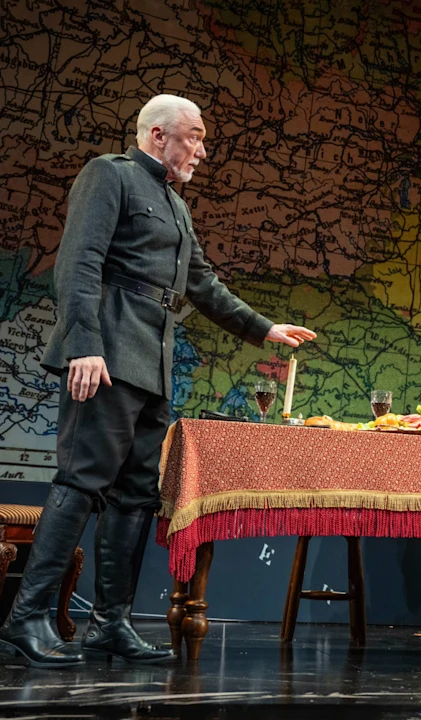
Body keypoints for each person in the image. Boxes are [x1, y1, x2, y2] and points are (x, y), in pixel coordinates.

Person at [0, 94, 316, 668]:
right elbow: (78, 263)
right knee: (81, 481)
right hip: (106, 356)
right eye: (193, 136)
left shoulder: (174, 203)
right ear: (156, 135)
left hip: (153, 364)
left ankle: (109, 624)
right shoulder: (109, 175)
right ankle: (26, 619)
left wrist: (264, 328)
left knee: (137, 495)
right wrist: (85, 348)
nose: (201, 148)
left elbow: (201, 283)